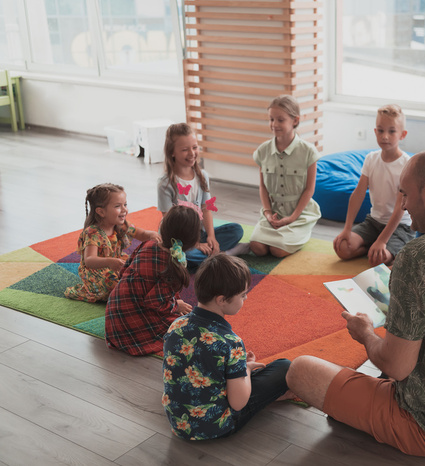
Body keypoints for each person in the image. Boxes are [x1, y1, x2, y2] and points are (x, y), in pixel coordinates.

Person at [286, 151, 425, 457]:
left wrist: (365, 332)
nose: (404, 204)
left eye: (405, 194)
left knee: (299, 370)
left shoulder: (420, 254)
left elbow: (396, 367)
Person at [162, 253, 293, 440]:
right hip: (216, 428)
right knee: (283, 367)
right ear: (222, 300)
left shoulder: (176, 325)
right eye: (242, 295)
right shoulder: (231, 341)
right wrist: (245, 370)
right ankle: (273, 392)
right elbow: (238, 403)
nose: (245, 299)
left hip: (178, 424)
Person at [105, 205, 200, 356]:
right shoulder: (173, 266)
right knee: (193, 327)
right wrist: (176, 305)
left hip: (113, 318)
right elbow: (155, 302)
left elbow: (123, 271)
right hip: (131, 331)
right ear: (194, 240)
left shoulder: (149, 244)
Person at [333, 104, 414, 266]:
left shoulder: (406, 164)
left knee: (379, 260)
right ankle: (371, 248)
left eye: (392, 131)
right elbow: (358, 194)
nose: (385, 136)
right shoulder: (371, 159)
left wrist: (382, 241)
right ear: (375, 132)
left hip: (400, 226)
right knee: (342, 248)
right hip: (373, 222)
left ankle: (383, 249)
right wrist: (347, 229)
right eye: (381, 130)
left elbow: (400, 207)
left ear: (402, 135)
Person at [157, 123, 244, 269]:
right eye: (185, 150)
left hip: (199, 233)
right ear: (172, 152)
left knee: (236, 230)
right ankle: (224, 254)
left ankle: (213, 256)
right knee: (179, 256)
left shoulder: (202, 176)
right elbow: (168, 224)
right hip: (178, 240)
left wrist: (211, 236)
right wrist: (196, 245)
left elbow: (206, 208)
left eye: (195, 147)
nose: (192, 153)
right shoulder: (165, 184)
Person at [249, 95, 322, 257]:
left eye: (280, 120)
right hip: (273, 213)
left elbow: (309, 190)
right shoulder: (262, 151)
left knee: (277, 250)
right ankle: (276, 232)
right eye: (271, 119)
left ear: (295, 121)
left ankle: (302, 231)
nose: (274, 124)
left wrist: (292, 218)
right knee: (257, 247)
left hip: (299, 214)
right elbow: (263, 187)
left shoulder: (308, 152)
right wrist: (268, 213)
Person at [65, 183, 160, 302]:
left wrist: (151, 235)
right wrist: (109, 262)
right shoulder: (93, 232)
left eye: (125, 205)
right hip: (97, 272)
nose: (125, 209)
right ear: (101, 212)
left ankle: (140, 292)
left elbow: (141, 234)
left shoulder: (120, 225)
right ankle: (140, 296)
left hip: (116, 263)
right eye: (118, 206)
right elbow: (89, 260)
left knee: (141, 271)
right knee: (121, 286)